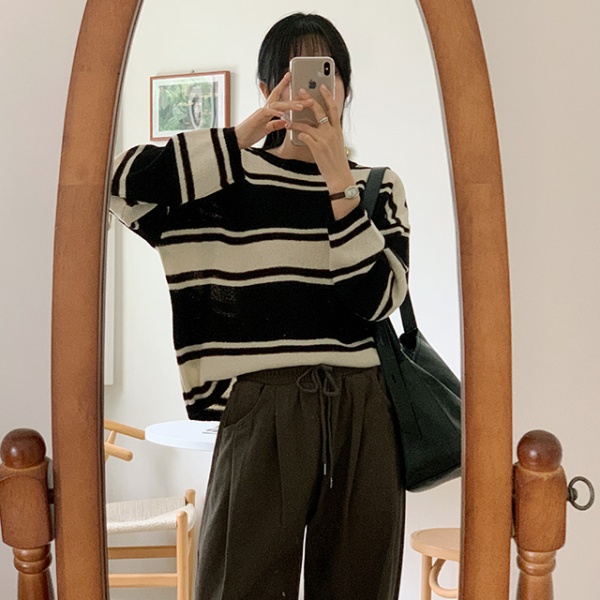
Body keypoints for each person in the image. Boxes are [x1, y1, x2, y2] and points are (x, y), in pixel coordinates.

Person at [110, 12, 409, 600]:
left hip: (365, 409)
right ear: (269, 87)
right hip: (259, 407)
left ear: (346, 88)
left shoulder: (377, 186)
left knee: (360, 587)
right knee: (237, 586)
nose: (312, 92)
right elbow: (118, 181)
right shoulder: (225, 180)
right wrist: (245, 133)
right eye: (294, 77)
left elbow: (375, 301)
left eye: (326, 76)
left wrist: (338, 181)